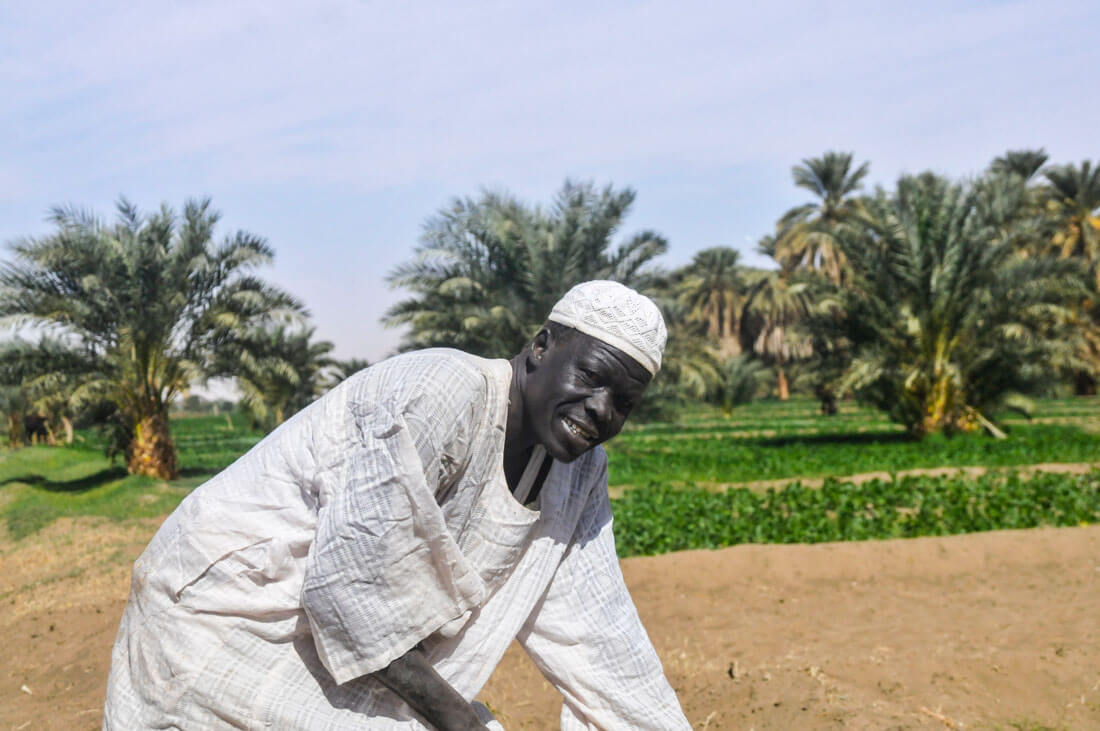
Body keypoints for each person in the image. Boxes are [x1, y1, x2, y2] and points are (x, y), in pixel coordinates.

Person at [104, 281, 690, 730]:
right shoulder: (444, 391)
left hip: (352, 651)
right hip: (224, 618)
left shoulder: (579, 473)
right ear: (541, 347)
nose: (601, 409)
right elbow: (351, 592)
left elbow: (599, 636)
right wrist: (460, 722)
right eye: (591, 377)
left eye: (624, 402)